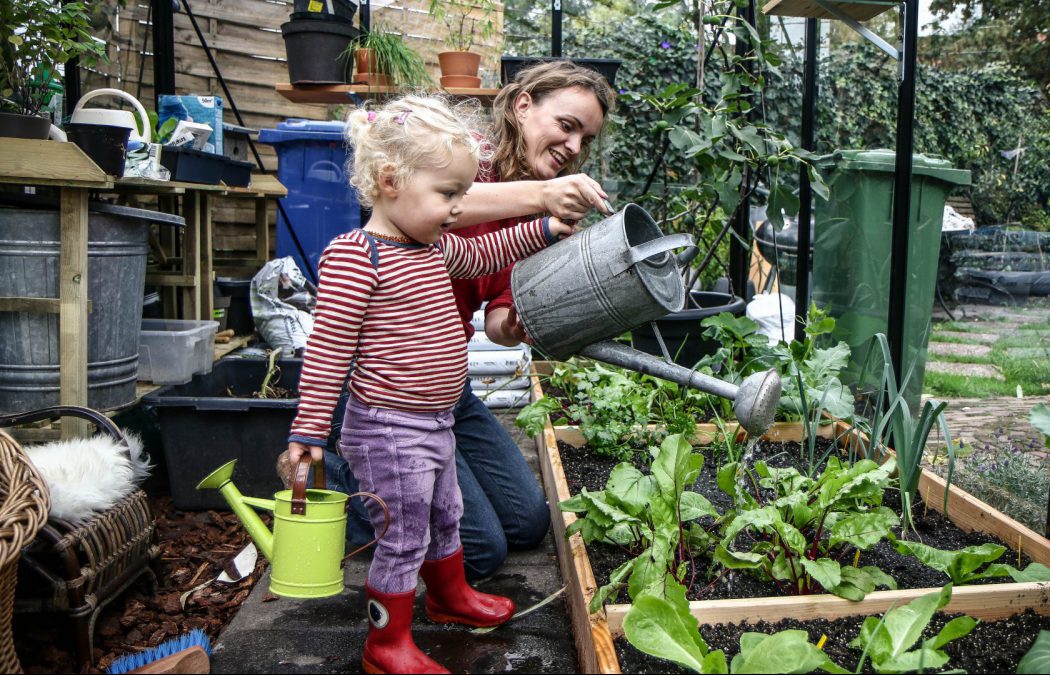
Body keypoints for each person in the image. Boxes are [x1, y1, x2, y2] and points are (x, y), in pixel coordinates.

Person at [285, 94, 574, 675]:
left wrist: (544, 227)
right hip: (388, 429)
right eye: (448, 195)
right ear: (390, 180)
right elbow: (327, 351)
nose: (457, 208)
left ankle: (448, 598)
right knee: (403, 534)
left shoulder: (433, 245)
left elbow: (488, 249)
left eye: (462, 194)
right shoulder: (355, 256)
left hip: (437, 419)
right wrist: (310, 429)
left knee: (446, 512)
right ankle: (385, 644)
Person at [313, 61, 617, 580]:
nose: (573, 146)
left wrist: (519, 323)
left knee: (527, 524)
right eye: (566, 125)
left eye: (584, 139)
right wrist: (542, 198)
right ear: (523, 106)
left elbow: (499, 312)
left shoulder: (526, 215)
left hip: (445, 393)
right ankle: (342, 476)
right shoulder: (459, 153)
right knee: (480, 551)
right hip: (384, 389)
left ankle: (423, 481)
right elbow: (438, 199)